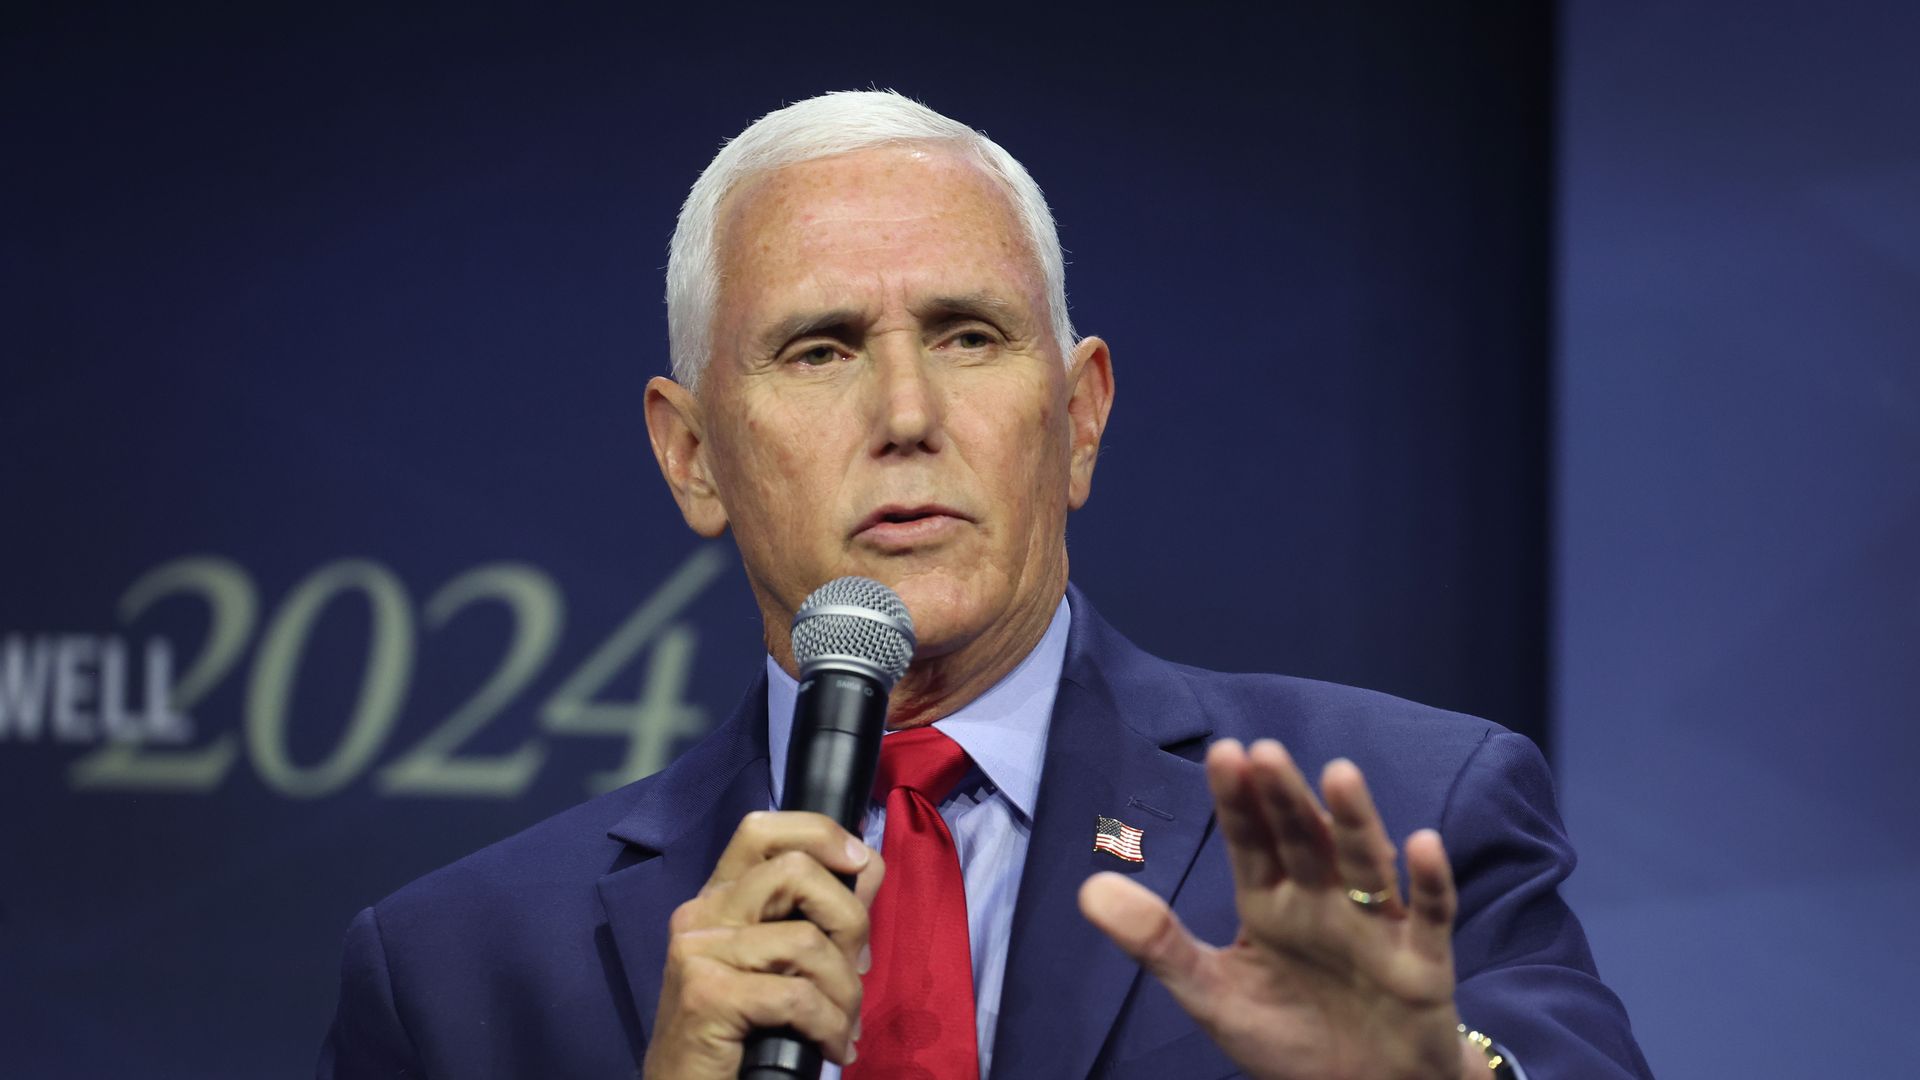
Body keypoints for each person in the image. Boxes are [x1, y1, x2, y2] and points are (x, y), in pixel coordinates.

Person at [319, 90, 1650, 1080]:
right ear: (693, 455)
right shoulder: (457, 976)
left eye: (968, 335)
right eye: (822, 349)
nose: (907, 411)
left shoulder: (1404, 818)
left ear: (1077, 418)